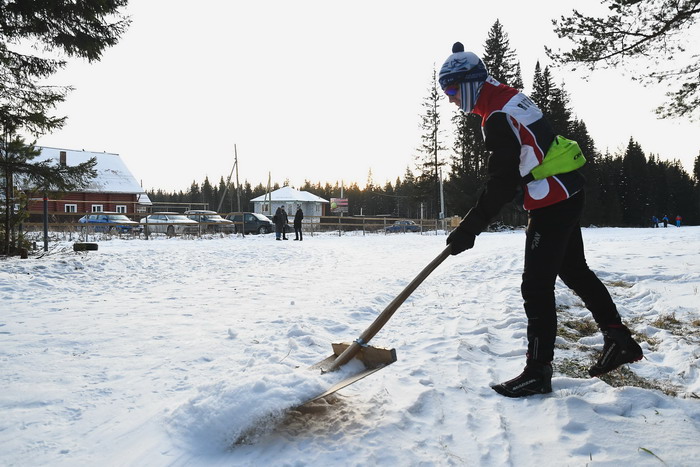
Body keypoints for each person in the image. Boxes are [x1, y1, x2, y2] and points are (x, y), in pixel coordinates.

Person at [439, 42, 643, 398]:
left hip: (553, 201)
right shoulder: (504, 97)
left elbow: (500, 183)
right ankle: (619, 339)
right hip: (565, 191)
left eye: (453, 89)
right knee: (575, 271)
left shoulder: (498, 116)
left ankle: (537, 372)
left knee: (536, 286)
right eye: (445, 91)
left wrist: (469, 228)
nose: (451, 99)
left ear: (471, 83)